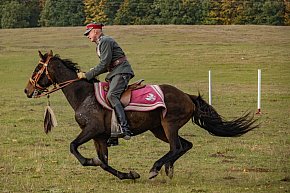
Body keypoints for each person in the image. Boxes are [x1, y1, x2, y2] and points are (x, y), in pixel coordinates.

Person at [77, 22, 134, 140]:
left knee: (112, 96)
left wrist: (87, 75)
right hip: (115, 72)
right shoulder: (100, 43)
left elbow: (104, 64)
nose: (88, 36)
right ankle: (112, 132)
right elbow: (106, 64)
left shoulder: (105, 41)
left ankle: (125, 128)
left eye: (89, 33)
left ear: (96, 31)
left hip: (121, 72)